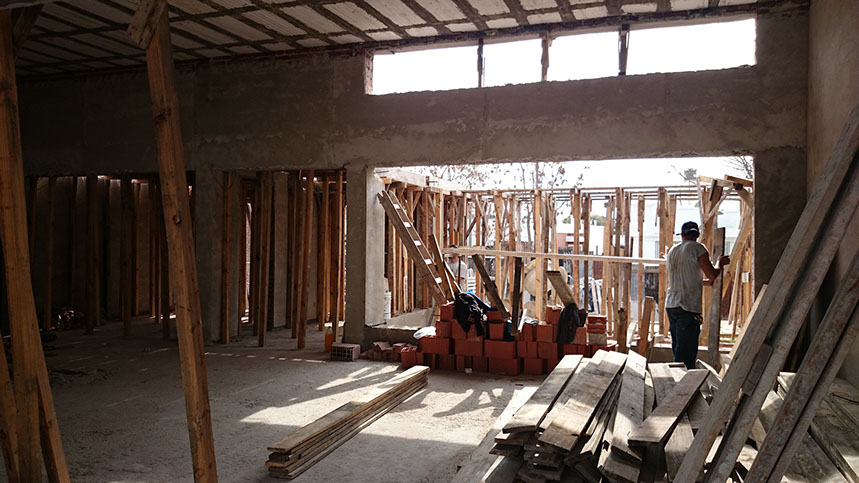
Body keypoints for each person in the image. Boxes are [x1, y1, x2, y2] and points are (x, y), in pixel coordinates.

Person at [665, 221, 729, 369]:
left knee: (678, 346)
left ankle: (677, 378)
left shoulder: (673, 251)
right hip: (688, 307)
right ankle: (683, 381)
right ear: (697, 235)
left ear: (682, 235)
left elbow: (684, 278)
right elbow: (712, 274)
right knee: (686, 353)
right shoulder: (698, 248)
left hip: (672, 305)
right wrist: (719, 264)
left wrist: (704, 283)